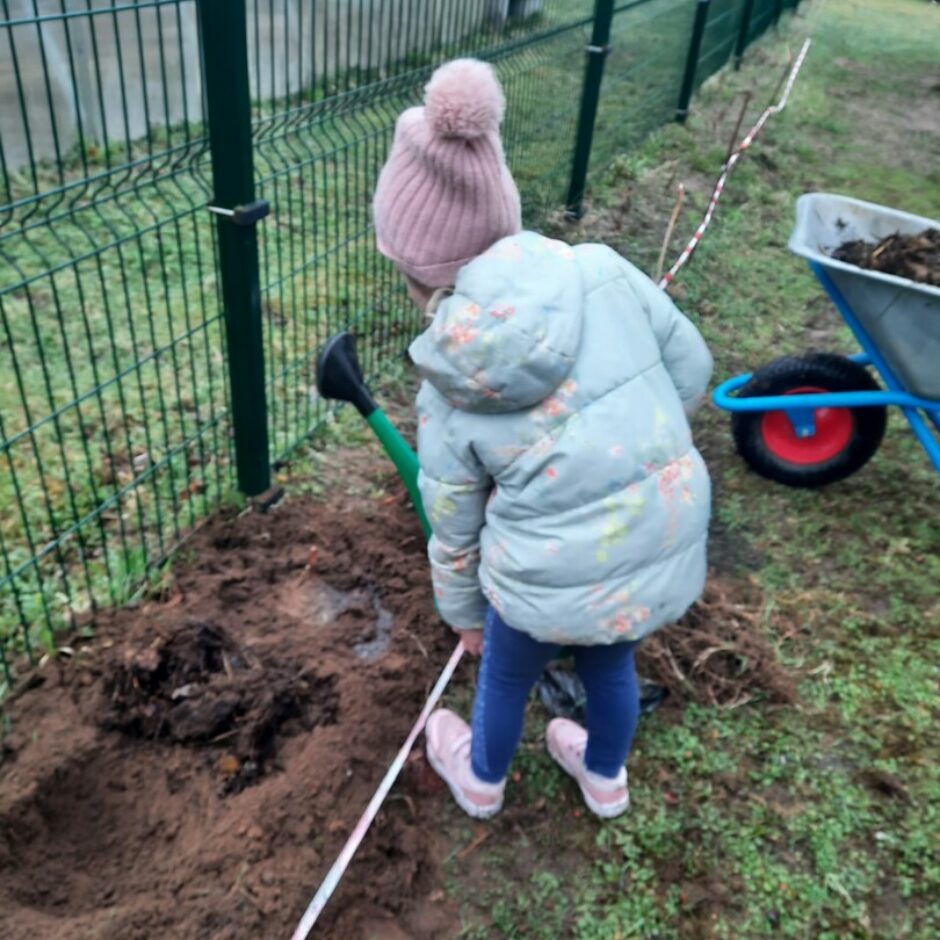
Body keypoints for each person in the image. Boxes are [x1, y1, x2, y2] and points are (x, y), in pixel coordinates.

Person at [373, 58, 713, 819]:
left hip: (542, 575)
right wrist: (631, 437)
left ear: (416, 273)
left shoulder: (449, 377)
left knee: (502, 676)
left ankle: (482, 780)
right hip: (653, 534)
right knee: (611, 664)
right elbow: (693, 368)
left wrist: (462, 612)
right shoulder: (602, 269)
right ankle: (604, 779)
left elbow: (455, 521)